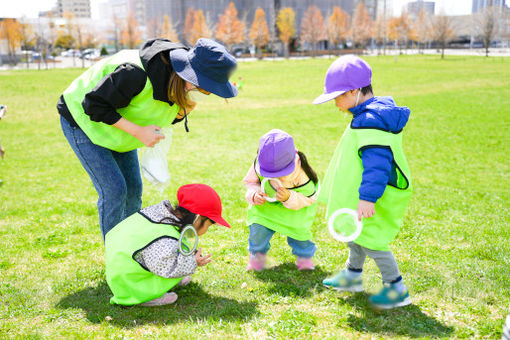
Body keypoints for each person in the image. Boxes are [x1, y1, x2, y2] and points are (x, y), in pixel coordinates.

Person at [57, 38, 238, 239]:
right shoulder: (134, 74)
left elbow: (159, 112)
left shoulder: (180, 85)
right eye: (204, 88)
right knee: (115, 190)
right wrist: (139, 132)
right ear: (189, 75)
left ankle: (131, 246)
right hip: (82, 120)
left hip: (118, 130)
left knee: (133, 190)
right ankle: (117, 255)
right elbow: (93, 105)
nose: (204, 93)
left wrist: (179, 114)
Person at [314, 55, 413, 309]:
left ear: (355, 91)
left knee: (372, 241)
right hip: (357, 196)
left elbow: (377, 165)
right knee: (355, 235)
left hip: (368, 197)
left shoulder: (371, 122)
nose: (336, 103)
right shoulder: (367, 116)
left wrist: (367, 197)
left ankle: (396, 288)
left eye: (337, 97)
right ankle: (352, 275)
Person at [105, 183, 231, 306]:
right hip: (129, 283)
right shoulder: (164, 240)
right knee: (174, 266)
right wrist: (193, 262)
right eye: (208, 226)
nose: (205, 231)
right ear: (197, 218)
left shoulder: (163, 215)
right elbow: (168, 266)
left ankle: (170, 279)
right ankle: (144, 296)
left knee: (176, 261)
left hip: (123, 267)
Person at [243, 129, 319, 271]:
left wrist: (289, 197)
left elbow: (309, 198)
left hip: (295, 210)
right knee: (257, 231)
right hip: (266, 207)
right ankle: (257, 257)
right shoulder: (258, 163)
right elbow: (251, 182)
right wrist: (254, 194)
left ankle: (304, 258)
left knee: (299, 235)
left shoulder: (301, 172)